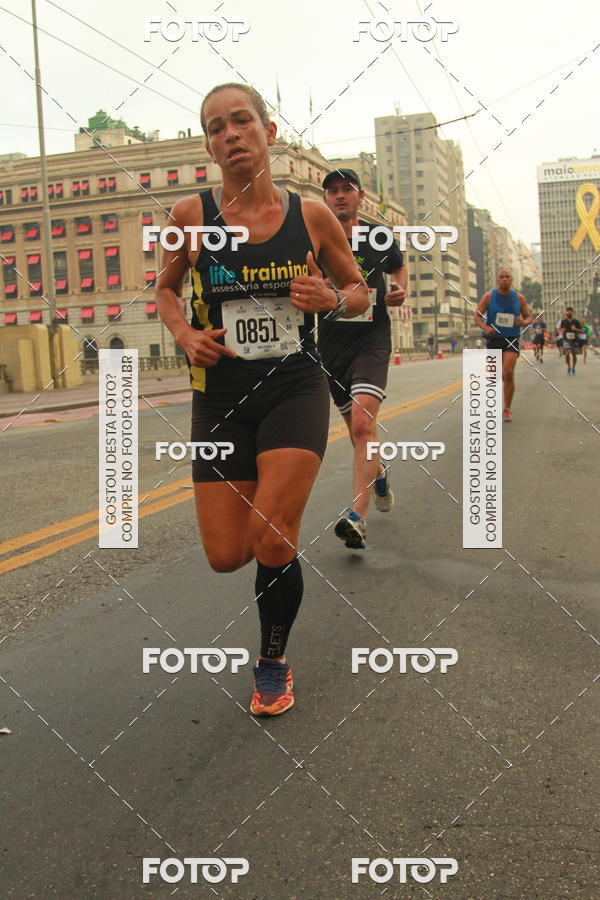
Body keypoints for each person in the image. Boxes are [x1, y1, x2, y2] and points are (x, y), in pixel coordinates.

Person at [155, 83, 368, 717]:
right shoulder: (189, 218)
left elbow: (358, 291)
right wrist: (185, 334)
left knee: (272, 539)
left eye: (242, 121)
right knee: (227, 555)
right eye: (216, 127)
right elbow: (164, 290)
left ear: (269, 132)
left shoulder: (313, 217)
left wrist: (332, 299)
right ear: (209, 146)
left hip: (293, 386)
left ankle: (272, 662)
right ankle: (271, 557)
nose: (231, 135)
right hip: (219, 396)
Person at [317, 169, 407, 550]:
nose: (340, 196)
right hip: (331, 345)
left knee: (361, 423)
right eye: (332, 191)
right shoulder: (315, 237)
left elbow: (398, 266)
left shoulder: (377, 236)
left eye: (346, 190)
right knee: (360, 436)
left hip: (372, 339)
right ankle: (379, 472)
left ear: (360, 196)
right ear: (325, 198)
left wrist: (400, 288)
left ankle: (357, 517)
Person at [474, 269, 533, 422]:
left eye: (507, 277)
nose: (505, 279)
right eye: (502, 277)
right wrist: (485, 327)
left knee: (508, 371)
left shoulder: (519, 298)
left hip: (511, 338)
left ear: (511, 279)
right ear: (497, 279)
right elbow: (477, 316)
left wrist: (523, 322)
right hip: (494, 339)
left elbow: (528, 317)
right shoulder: (489, 296)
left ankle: (507, 409)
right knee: (495, 375)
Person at [559, 307, 583, 374]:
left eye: (570, 311)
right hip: (566, 340)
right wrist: (562, 330)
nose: (569, 312)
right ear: (566, 312)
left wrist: (575, 329)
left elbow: (581, 330)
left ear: (572, 312)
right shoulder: (563, 321)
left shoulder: (576, 321)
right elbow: (560, 329)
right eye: (568, 311)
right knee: (567, 353)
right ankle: (569, 367)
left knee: (574, 355)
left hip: (574, 340)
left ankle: (573, 367)